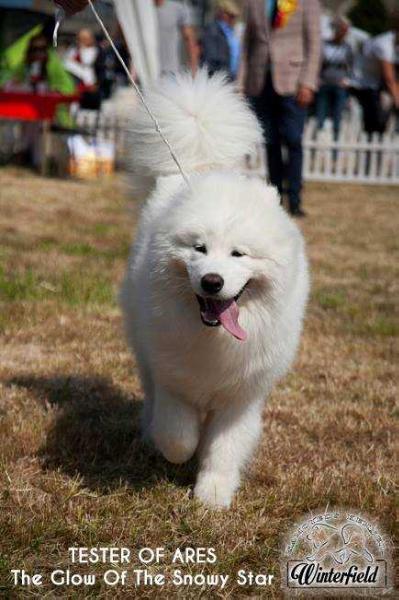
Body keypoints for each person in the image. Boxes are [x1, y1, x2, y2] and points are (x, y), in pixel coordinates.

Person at [242, 0, 321, 217]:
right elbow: (247, 45)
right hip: (260, 82)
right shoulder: (253, 3)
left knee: (293, 139)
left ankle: (295, 199)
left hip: (293, 83)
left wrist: (308, 82)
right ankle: (274, 197)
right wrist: (241, 83)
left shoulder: (307, 3)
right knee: (271, 142)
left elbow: (314, 44)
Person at [350, 10, 399, 135]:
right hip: (362, 83)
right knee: (374, 122)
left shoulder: (394, 43)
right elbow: (389, 78)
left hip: (376, 83)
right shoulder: (384, 44)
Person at [316, 17, 353, 140]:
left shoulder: (347, 48)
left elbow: (351, 67)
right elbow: (317, 64)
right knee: (320, 115)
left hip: (339, 86)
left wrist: (347, 80)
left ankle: (335, 151)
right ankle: (317, 145)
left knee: (337, 117)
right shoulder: (324, 45)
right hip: (324, 84)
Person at [154, 0, 199, 76]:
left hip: (170, 72)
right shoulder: (139, 11)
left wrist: (194, 70)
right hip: (144, 71)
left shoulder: (178, 9)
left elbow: (190, 40)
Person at [201, 0, 241, 80]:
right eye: (230, 15)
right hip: (220, 78)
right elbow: (212, 58)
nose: (233, 19)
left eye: (234, 16)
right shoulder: (212, 30)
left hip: (233, 77)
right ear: (222, 13)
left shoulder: (232, 31)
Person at [64, 28, 102, 109]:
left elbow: (90, 63)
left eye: (87, 38)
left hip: (91, 88)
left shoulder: (97, 51)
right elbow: (67, 64)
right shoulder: (73, 51)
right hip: (74, 85)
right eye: (82, 38)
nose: (85, 40)